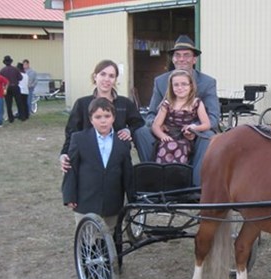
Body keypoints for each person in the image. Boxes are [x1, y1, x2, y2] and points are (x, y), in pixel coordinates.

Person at [62, 97, 134, 279]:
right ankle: (84, 278)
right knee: (86, 240)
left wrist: (132, 197)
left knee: (106, 238)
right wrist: (69, 195)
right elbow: (71, 169)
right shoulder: (79, 139)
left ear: (114, 117)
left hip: (112, 199)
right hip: (85, 199)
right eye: (98, 117)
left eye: (107, 116)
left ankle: (104, 272)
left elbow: (127, 172)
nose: (103, 120)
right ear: (91, 119)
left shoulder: (122, 142)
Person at [134, 35, 220, 185]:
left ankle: (194, 186)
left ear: (194, 59)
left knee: (208, 136)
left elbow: (213, 117)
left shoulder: (207, 83)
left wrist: (194, 127)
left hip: (195, 129)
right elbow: (151, 114)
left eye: (187, 55)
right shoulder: (161, 82)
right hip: (167, 127)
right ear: (173, 59)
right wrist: (159, 125)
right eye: (178, 55)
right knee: (141, 133)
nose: (182, 59)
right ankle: (154, 179)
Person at [59, 60, 145, 172]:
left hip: (116, 161)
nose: (107, 79)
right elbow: (71, 131)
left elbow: (138, 123)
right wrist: (64, 153)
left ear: (115, 80)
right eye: (103, 74)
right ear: (95, 76)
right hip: (87, 160)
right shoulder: (82, 104)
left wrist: (128, 131)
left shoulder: (124, 103)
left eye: (111, 76)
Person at [151, 69, 211, 164]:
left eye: (184, 84)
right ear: (171, 87)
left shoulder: (196, 103)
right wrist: (162, 136)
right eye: (176, 85)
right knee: (166, 147)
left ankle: (179, 174)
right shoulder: (167, 104)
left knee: (181, 148)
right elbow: (156, 125)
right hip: (169, 137)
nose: (180, 88)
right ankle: (161, 174)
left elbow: (206, 124)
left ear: (191, 86)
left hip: (185, 139)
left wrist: (194, 128)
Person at [0, 55, 22, 123]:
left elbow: (1, 80)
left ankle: (10, 118)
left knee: (8, 103)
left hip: (7, 87)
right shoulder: (15, 69)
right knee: (19, 102)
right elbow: (20, 78)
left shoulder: (2, 70)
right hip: (15, 86)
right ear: (11, 62)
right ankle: (21, 116)